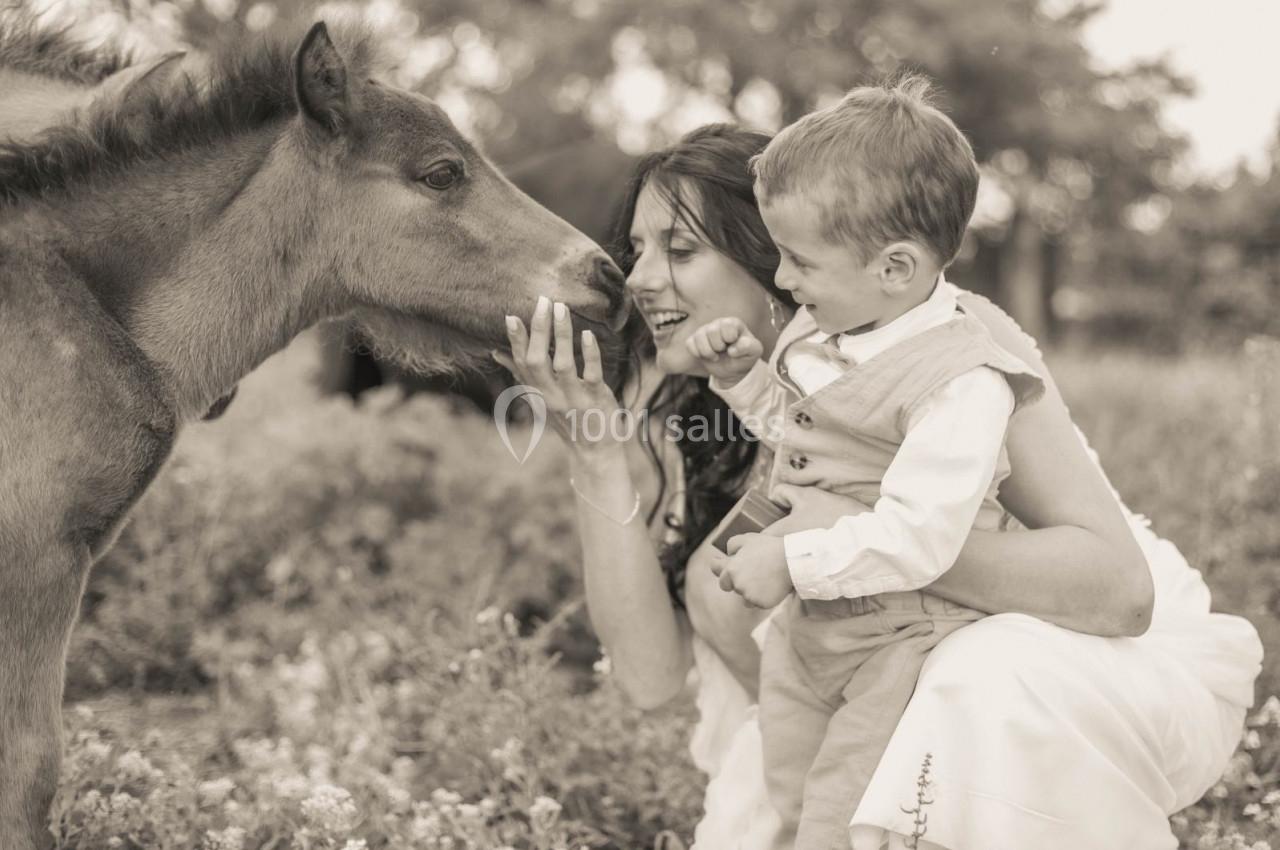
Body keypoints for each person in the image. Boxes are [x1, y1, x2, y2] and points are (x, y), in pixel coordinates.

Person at [493, 123, 1262, 850]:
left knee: (981, 676)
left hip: (1046, 684)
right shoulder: (694, 411)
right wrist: (594, 446)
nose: (641, 280)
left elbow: (1120, 592)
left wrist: (836, 538)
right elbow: (650, 679)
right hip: (826, 743)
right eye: (636, 251)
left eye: (681, 250)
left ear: (773, 260)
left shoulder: (954, 353)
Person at [681, 77, 1045, 849]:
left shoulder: (962, 381)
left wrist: (792, 562)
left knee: (845, 820)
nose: (782, 281)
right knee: (791, 796)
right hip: (812, 629)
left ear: (895, 267)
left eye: (798, 262)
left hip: (897, 641)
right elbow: (810, 443)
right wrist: (745, 381)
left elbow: (921, 536)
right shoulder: (829, 333)